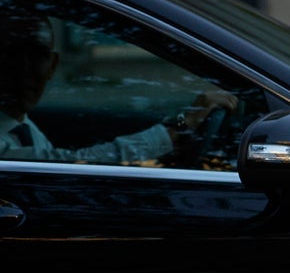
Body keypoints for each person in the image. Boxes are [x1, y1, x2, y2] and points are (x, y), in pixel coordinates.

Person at [0, 11, 235, 165]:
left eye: (37, 56)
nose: (25, 69)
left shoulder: (24, 126)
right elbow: (76, 163)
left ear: (52, 65)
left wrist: (181, 125)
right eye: (12, 54)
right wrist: (183, 124)